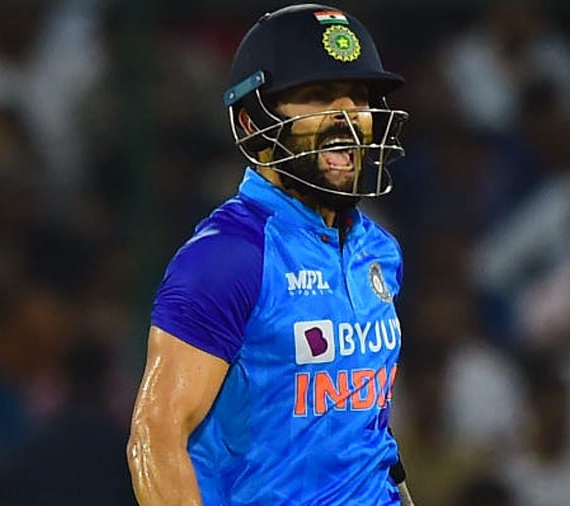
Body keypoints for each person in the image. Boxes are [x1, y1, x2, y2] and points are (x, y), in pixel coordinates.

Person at [126, 4, 413, 505]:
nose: (346, 117)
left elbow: (366, 436)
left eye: (360, 97)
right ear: (252, 119)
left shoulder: (378, 251)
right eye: (318, 97)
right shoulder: (226, 260)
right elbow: (155, 435)